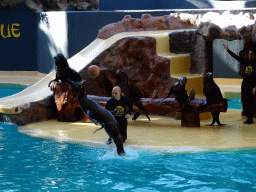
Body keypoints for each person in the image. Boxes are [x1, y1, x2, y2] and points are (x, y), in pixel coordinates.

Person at [223, 43, 256, 124]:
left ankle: (251, 117)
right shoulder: (246, 61)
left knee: (252, 102)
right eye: (249, 53)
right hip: (245, 85)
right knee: (244, 101)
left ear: (255, 55)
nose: (249, 55)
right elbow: (236, 57)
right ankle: (248, 117)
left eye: (251, 54)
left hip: (252, 86)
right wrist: (227, 50)